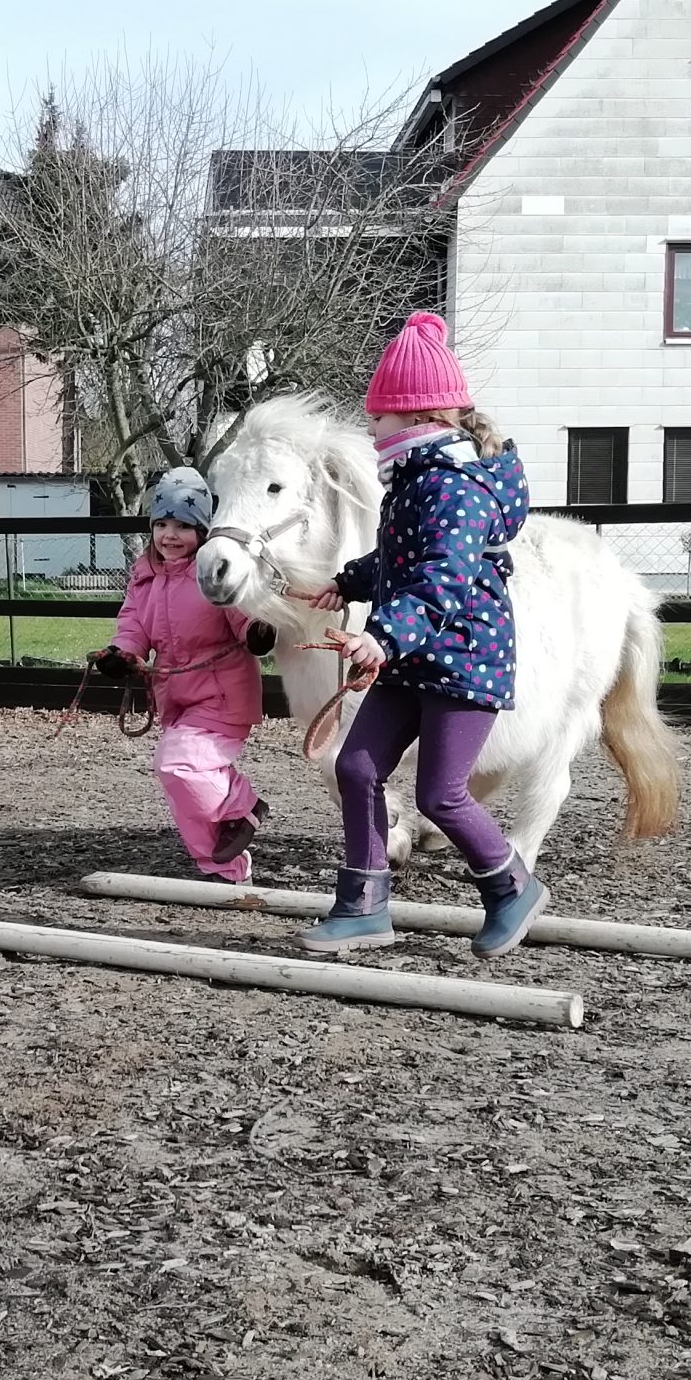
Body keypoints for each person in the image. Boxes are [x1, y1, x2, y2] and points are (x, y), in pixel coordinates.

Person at [299, 312, 549, 959]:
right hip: (414, 657)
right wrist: (349, 583)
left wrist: (382, 636)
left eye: (377, 415)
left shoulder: (454, 487)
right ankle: (363, 907)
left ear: (414, 416)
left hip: (464, 661)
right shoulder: (415, 480)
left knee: (440, 795)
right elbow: (401, 558)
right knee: (356, 767)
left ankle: (512, 888)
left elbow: (443, 577)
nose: (370, 426)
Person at [89, 469, 278, 883]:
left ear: (202, 530)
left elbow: (242, 616)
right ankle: (225, 870)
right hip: (176, 697)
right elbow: (133, 623)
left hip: (223, 694)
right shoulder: (145, 575)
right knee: (180, 785)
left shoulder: (215, 571)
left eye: (182, 526)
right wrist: (122, 654)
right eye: (161, 524)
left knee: (178, 765)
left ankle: (242, 804)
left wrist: (256, 631)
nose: (169, 535)